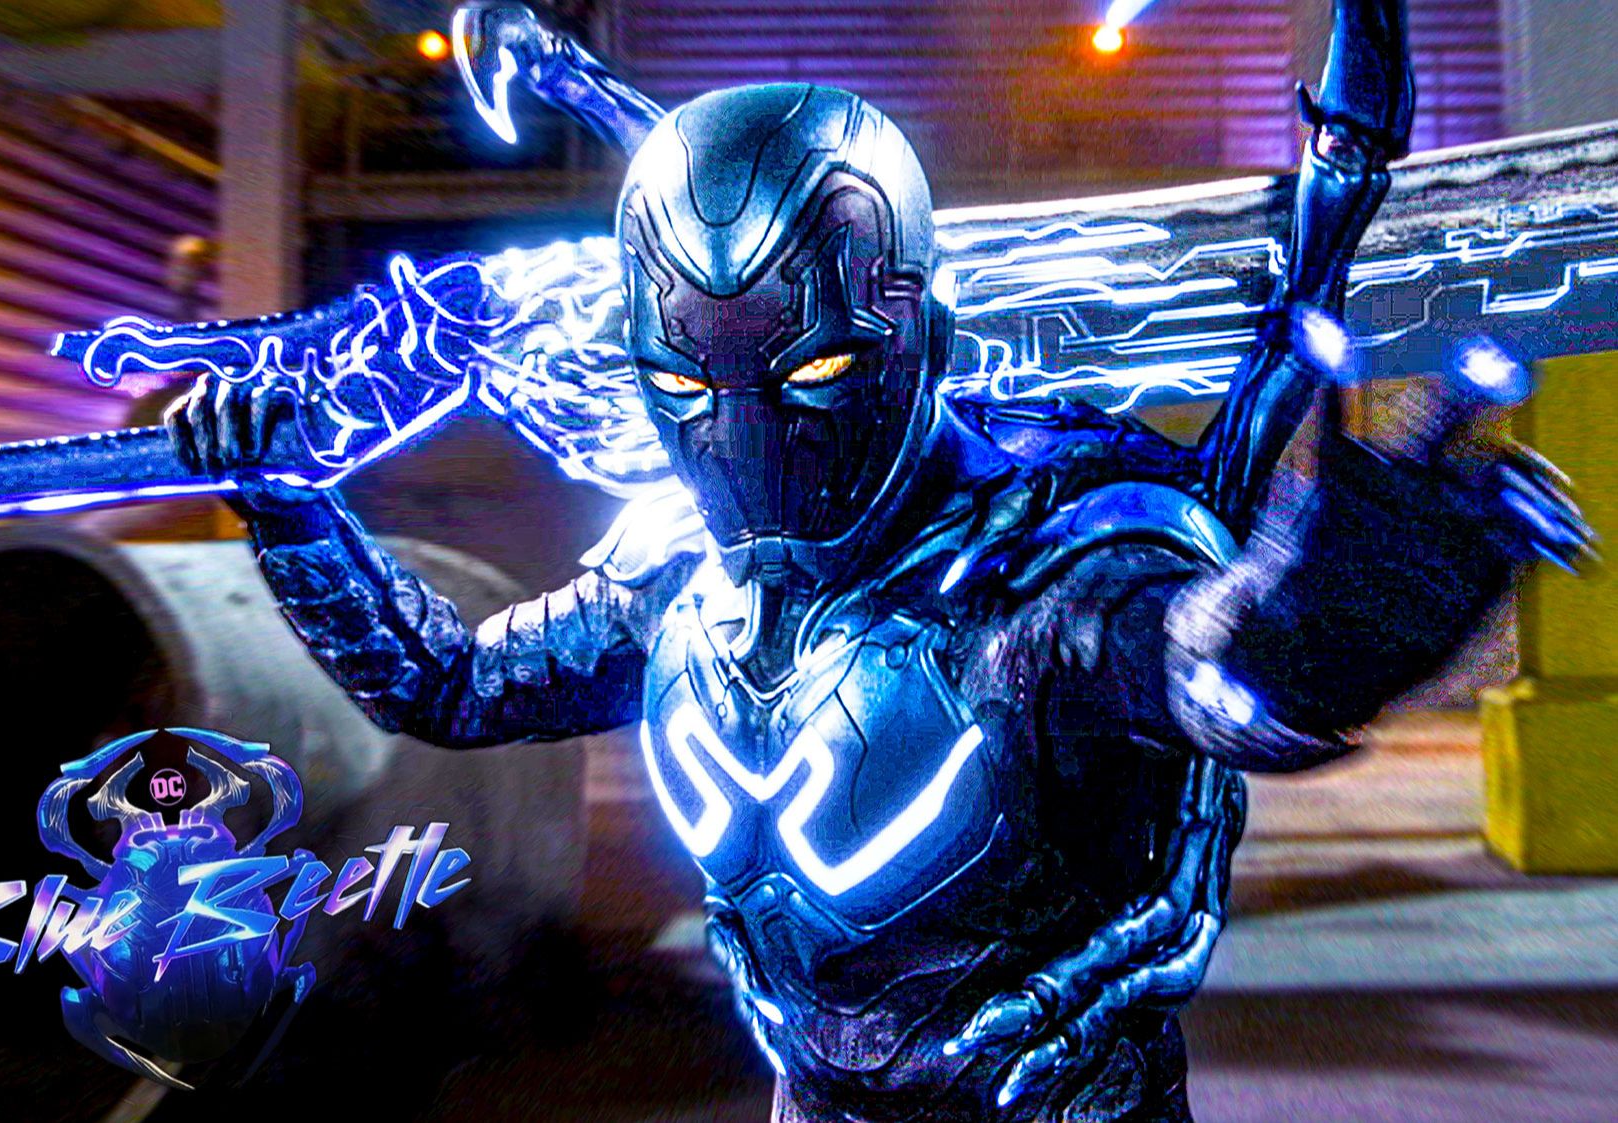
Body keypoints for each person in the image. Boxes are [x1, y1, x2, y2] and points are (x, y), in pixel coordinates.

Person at [165, 2, 1588, 1118]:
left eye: (816, 373)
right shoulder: (678, 584)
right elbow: (446, 684)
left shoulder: (1035, 580)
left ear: (923, 340)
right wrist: (289, 504)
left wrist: (1314, 637)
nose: (744, 437)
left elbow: (1193, 666)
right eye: (685, 383)